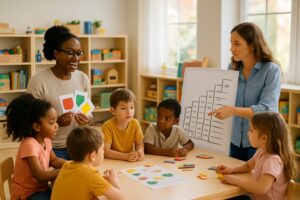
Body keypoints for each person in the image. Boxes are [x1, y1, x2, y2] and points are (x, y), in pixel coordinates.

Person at [209, 22, 281, 161]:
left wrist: (233, 110)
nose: (232, 48)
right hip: (235, 140)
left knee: (254, 181)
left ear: (252, 45)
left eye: (237, 44)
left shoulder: (271, 70)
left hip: (261, 141)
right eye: (231, 44)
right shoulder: (232, 68)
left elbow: (267, 110)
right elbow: (226, 99)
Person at [27, 26, 92, 160]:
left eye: (78, 53)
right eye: (69, 52)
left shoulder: (82, 78)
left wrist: (88, 119)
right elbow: (31, 122)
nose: (76, 58)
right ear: (56, 53)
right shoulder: (39, 81)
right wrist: (56, 122)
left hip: (80, 144)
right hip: (51, 147)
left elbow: (88, 110)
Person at [216, 112, 297, 200]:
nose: (248, 134)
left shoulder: (272, 160)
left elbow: (261, 188)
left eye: (251, 130)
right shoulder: (261, 152)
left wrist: (235, 180)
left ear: (264, 138)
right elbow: (248, 166)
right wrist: (231, 170)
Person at [5, 94, 65, 200]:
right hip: (26, 195)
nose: (57, 126)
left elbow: (54, 160)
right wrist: (65, 170)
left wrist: (72, 164)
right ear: (37, 126)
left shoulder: (46, 139)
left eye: (56, 121)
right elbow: (40, 176)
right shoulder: (29, 145)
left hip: (39, 189)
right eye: (52, 122)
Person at [51, 127, 125, 200]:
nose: (103, 151)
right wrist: (114, 181)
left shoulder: (67, 165)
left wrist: (101, 180)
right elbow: (120, 198)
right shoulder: (91, 175)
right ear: (93, 156)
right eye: (102, 149)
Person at [101, 88, 144, 162]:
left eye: (132, 107)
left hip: (127, 161)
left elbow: (139, 144)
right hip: (112, 161)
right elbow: (106, 151)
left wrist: (140, 151)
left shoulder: (135, 123)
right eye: (123, 108)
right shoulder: (107, 126)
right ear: (113, 111)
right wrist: (125, 156)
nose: (129, 112)